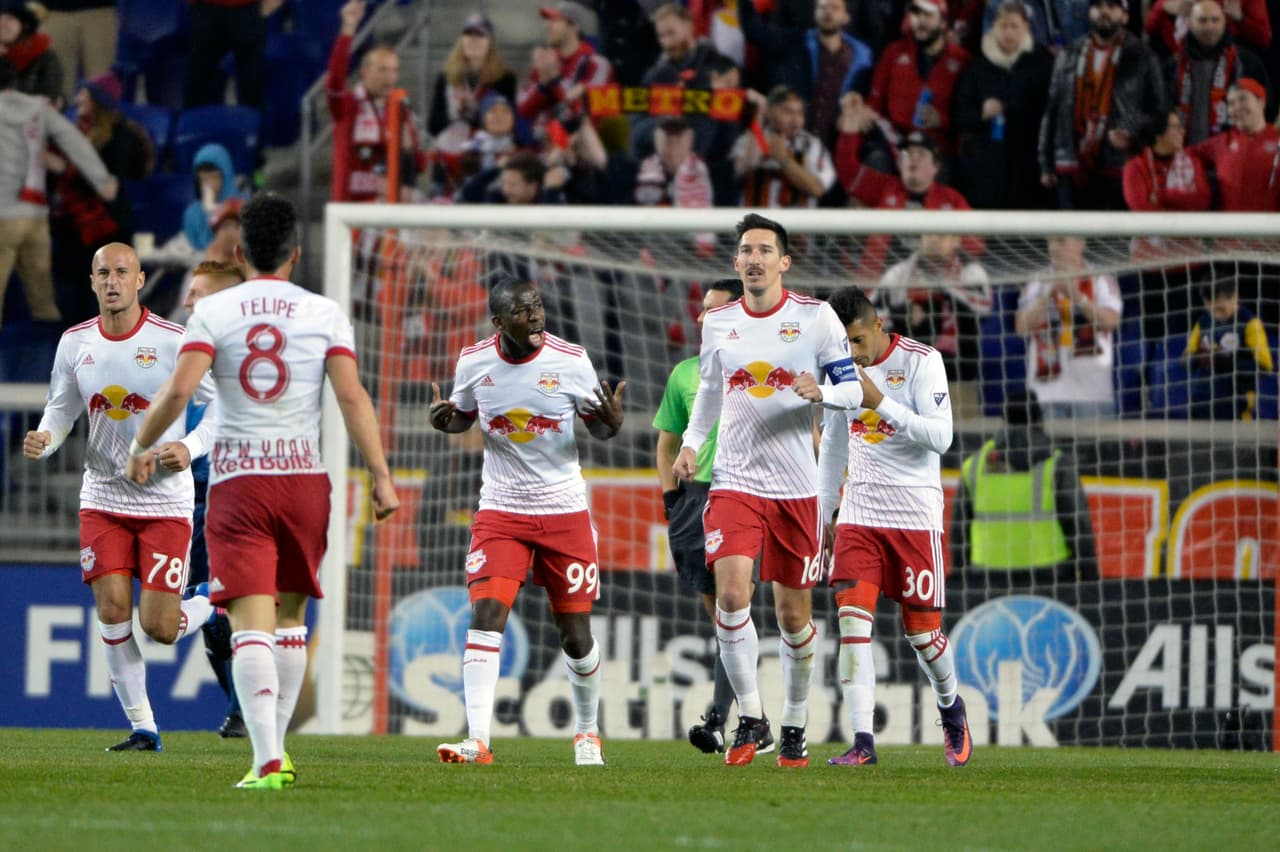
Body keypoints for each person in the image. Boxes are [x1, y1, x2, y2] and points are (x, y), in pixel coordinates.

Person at [125, 192, 400, 789]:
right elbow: (352, 397)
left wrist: (141, 446)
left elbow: (178, 393)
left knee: (250, 620)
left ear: (242, 252)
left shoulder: (215, 313)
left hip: (240, 484)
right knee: (293, 619)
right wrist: (380, 474)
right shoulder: (324, 312)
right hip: (304, 481)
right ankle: (277, 753)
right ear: (296, 254)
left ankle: (268, 757)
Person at [673, 213, 856, 768]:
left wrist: (821, 390)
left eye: (764, 250)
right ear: (736, 262)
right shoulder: (718, 322)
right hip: (734, 482)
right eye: (746, 250)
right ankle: (753, 717)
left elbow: (854, 389)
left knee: (794, 618)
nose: (754, 258)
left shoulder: (816, 318)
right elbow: (708, 391)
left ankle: (795, 721)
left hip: (797, 488)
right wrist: (690, 443)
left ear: (784, 261)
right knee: (730, 595)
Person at [23, 241, 218, 752]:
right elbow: (60, 411)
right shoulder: (74, 343)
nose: (112, 281)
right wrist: (45, 441)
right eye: (103, 273)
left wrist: (190, 445)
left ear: (139, 280)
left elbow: (225, 409)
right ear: (92, 282)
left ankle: (211, 600)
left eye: (122, 272)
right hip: (103, 494)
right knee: (111, 608)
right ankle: (144, 728)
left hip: (164, 502)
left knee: (159, 629)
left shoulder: (176, 341)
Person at [429, 274, 625, 767]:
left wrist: (612, 424)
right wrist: (446, 419)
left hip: (564, 511)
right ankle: (477, 740)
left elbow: (599, 430)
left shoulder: (571, 360)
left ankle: (587, 733)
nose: (536, 315)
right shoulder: (474, 362)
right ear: (499, 322)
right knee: (486, 615)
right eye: (523, 310)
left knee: (575, 635)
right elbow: (464, 416)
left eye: (537, 306)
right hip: (501, 511)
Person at [794, 286, 970, 768]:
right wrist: (824, 512)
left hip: (915, 515)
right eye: (842, 343)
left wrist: (880, 402)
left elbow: (941, 437)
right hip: (861, 515)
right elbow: (833, 444)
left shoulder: (921, 361)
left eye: (856, 341)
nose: (851, 353)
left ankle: (951, 707)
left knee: (924, 637)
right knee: (852, 625)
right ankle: (863, 741)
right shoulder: (839, 368)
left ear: (877, 326)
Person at [653, 277, 743, 754]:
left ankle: (719, 718)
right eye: (701, 309)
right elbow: (667, 442)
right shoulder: (686, 373)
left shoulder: (760, 364)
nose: (701, 317)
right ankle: (754, 718)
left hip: (745, 492)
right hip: (695, 500)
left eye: (712, 309)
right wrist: (673, 501)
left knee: (737, 605)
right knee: (722, 618)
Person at [180, 260, 249, 738]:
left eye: (198, 294)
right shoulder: (186, 341)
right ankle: (237, 709)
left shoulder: (247, 355)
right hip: (190, 492)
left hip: (235, 489)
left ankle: (247, 711)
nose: (188, 303)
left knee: (231, 604)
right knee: (210, 612)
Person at [0, 56, 116, 328]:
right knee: (44, 302)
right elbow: (75, 143)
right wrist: (103, 181)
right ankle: (52, 362)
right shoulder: (39, 110)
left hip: (3, 216)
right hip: (35, 218)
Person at [951, 388, 1099, 586]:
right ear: (1039, 418)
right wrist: (1091, 578)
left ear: (1003, 418)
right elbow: (1078, 525)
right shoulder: (1056, 463)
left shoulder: (974, 465)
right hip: (1049, 570)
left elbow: (959, 529)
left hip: (986, 572)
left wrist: (962, 577)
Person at [1038, 0, 1167, 211]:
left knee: (1112, 241)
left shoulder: (1143, 56)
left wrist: (1129, 127)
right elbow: (1051, 110)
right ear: (1089, 13)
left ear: (1125, 16)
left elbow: (1160, 111)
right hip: (1070, 161)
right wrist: (1045, 163)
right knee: (1072, 239)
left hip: (1118, 163)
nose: (1104, 12)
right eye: (1098, 6)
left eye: (1112, 6)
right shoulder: (1068, 53)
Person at [49, 71, 155, 325]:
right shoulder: (75, 132)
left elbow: (109, 185)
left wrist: (65, 168)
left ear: (98, 101)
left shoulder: (122, 137)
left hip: (106, 231)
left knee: (98, 306)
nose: (78, 100)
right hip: (71, 231)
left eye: (84, 96)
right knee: (70, 308)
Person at [951, 0, 1055, 211]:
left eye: (1014, 26)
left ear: (1026, 27)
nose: (1008, 32)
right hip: (986, 170)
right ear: (993, 27)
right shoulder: (978, 66)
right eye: (1003, 26)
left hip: (1028, 167)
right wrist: (982, 113)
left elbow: (1053, 114)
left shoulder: (1042, 62)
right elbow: (959, 114)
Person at [327, 0, 428, 202]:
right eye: (382, 70)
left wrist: (410, 148)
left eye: (393, 70)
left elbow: (420, 165)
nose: (389, 77)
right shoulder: (348, 105)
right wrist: (348, 29)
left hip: (388, 208)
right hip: (351, 207)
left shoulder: (401, 109)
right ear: (365, 72)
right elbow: (335, 80)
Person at [1014, 236, 1123, 420]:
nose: (1055, 248)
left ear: (1081, 242)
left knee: (1090, 449)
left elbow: (1111, 322)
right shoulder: (1037, 282)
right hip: (1045, 394)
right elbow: (1021, 327)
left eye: (1061, 241)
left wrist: (1077, 297)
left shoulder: (1101, 278)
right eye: (1051, 242)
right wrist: (1047, 296)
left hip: (1092, 393)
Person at [1165, 1, 1270, 146]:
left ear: (1224, 22)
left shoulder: (1246, 62)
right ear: (1190, 23)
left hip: (1234, 152)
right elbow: (1163, 109)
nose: (1209, 26)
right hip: (1185, 153)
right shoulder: (1173, 64)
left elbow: (1266, 108)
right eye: (1202, 20)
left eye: (1215, 20)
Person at [427, 11, 518, 177]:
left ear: (490, 42)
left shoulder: (505, 78)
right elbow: (432, 126)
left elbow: (510, 126)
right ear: (461, 40)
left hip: (488, 159)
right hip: (449, 159)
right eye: (469, 35)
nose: (473, 40)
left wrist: (475, 113)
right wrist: (454, 114)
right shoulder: (447, 77)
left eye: (480, 35)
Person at [1184, 277, 1275, 420]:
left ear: (1234, 297)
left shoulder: (1250, 324)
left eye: (1220, 308)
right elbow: (1185, 360)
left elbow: (1265, 368)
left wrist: (1227, 362)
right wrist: (1199, 357)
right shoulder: (1203, 322)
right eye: (1210, 308)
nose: (1216, 315)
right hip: (1202, 403)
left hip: (1237, 405)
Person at [731, 85, 837, 208]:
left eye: (799, 113)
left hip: (797, 224)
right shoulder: (751, 139)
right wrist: (758, 116)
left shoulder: (813, 146)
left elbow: (818, 189)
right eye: (788, 112)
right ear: (769, 112)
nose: (795, 120)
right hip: (757, 222)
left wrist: (783, 160)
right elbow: (739, 170)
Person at [516, 2, 613, 130]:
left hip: (582, 144)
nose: (547, 26)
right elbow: (523, 109)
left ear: (574, 27)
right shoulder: (547, 61)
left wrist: (556, 79)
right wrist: (543, 84)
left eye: (555, 21)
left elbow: (586, 108)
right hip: (543, 144)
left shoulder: (598, 64)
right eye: (548, 21)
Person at [1188, 78, 1279, 211]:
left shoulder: (1277, 140)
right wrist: (1200, 184)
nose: (1236, 107)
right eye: (1231, 103)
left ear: (1261, 102)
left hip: (1270, 229)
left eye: (1243, 99)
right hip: (1229, 229)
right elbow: (1189, 155)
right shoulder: (1221, 142)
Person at [0, 1, 64, 104]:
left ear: (24, 25)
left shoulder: (44, 56)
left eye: (9, 18)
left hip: (32, 115)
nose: (2, 23)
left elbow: (51, 94)